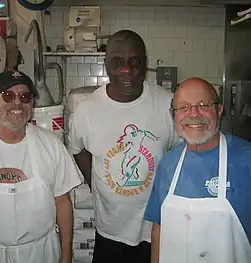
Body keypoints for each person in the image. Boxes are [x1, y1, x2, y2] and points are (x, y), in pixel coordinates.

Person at [67, 30, 178, 263]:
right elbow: (78, 150)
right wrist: (96, 183)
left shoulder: (168, 104)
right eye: (117, 62)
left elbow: (182, 154)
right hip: (110, 228)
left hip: (156, 228)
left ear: (145, 64)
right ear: (106, 65)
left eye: (134, 62)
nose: (126, 70)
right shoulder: (87, 111)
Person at [0, 70, 82, 263]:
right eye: (8, 96)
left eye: (24, 96)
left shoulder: (51, 145)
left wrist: (66, 256)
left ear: (32, 103)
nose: (17, 103)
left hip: (43, 253)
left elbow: (63, 203)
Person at [144, 77, 251, 263]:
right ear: (174, 115)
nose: (194, 113)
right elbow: (159, 229)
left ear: (219, 110)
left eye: (203, 104)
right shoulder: (168, 164)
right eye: (184, 107)